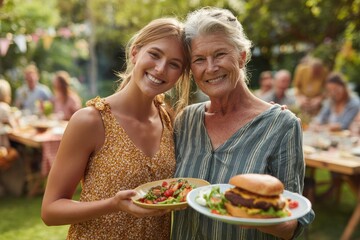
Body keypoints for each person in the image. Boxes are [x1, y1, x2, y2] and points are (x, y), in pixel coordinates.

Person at [41, 17, 190, 240]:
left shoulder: (168, 118)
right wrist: (113, 205)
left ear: (180, 74)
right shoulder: (90, 121)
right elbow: (50, 211)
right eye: (155, 55)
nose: (160, 69)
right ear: (135, 53)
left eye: (174, 64)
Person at [172, 7, 314, 240]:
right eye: (199, 59)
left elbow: (292, 224)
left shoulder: (282, 125)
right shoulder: (186, 121)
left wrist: (251, 215)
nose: (210, 67)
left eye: (220, 54)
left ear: (242, 56)